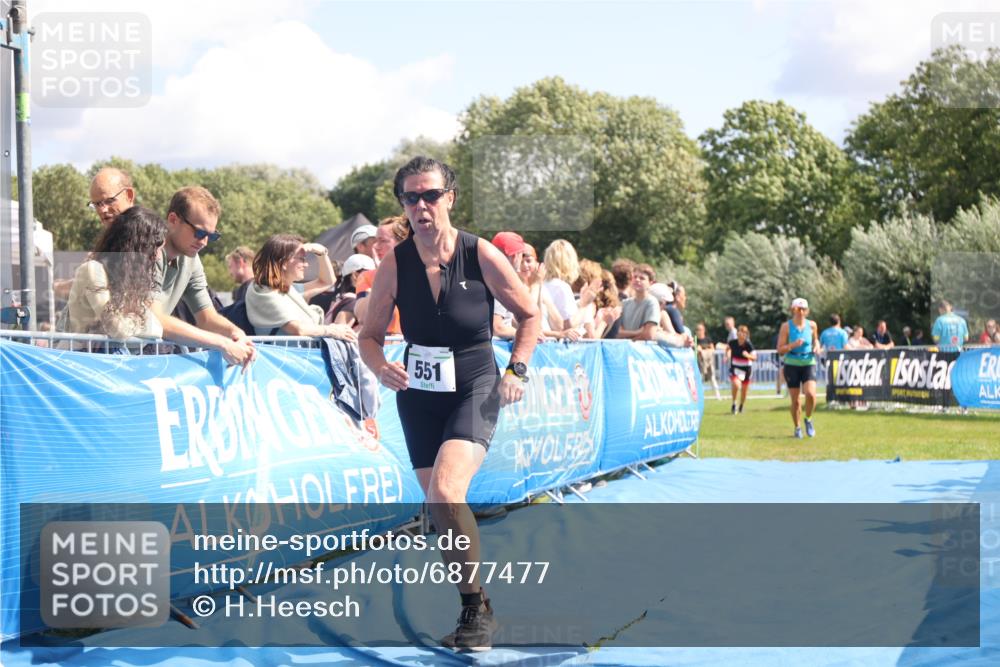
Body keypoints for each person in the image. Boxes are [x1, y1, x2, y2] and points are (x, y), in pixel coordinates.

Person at [358, 156, 540, 651]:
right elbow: (369, 336)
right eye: (410, 198)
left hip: (475, 382)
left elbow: (529, 315)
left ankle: (473, 611)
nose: (421, 206)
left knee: (444, 491)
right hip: (418, 394)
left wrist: (517, 368)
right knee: (442, 509)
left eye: (430, 196)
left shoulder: (479, 253)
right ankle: (476, 603)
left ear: (449, 198)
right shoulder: (394, 263)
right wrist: (380, 367)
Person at [151, 186, 256, 367]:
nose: (204, 242)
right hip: (107, 356)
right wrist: (222, 343)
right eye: (199, 233)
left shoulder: (192, 259)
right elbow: (155, 318)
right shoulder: (148, 250)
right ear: (173, 219)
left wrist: (236, 333)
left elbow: (207, 318)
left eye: (211, 236)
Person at [64, 207, 165, 344]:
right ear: (137, 247)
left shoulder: (124, 278)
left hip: (98, 360)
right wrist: (137, 318)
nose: (158, 257)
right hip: (79, 360)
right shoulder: (93, 270)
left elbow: (157, 329)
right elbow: (118, 329)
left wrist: (134, 320)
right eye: (155, 249)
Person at [245, 234, 356, 340]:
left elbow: (327, 281)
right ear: (283, 263)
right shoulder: (264, 292)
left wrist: (321, 253)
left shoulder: (286, 289)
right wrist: (333, 330)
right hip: (284, 357)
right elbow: (299, 329)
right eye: (302, 259)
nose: (306, 264)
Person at [776, 298, 821, 439]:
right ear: (793, 310)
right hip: (792, 364)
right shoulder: (786, 327)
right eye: (798, 309)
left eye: (804, 309)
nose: (801, 312)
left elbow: (816, 340)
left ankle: (808, 418)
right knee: (795, 401)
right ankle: (797, 427)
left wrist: (817, 347)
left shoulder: (812, 325)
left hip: (808, 362)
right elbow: (780, 350)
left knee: (811, 394)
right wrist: (793, 345)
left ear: (807, 311)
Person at [490, 231, 526, 339]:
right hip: (496, 350)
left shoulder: (486, 275)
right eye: (521, 255)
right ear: (515, 256)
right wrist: (525, 335)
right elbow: (497, 327)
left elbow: (507, 318)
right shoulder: (501, 282)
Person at [328, 254, 377, 329]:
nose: (374, 277)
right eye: (370, 274)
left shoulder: (342, 298)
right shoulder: (352, 301)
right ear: (355, 275)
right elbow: (339, 332)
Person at [616, 264, 662, 342]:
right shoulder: (624, 303)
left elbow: (649, 334)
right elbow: (617, 333)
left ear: (651, 283)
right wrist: (637, 332)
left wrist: (627, 338)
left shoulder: (652, 303)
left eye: (642, 278)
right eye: (635, 277)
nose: (637, 280)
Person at [725, 324, 756, 414]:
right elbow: (727, 348)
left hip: (746, 370)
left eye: (744, 333)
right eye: (740, 331)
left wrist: (748, 355)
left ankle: (741, 405)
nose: (741, 334)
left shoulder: (748, 345)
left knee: (744, 390)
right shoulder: (732, 342)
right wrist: (727, 355)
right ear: (737, 333)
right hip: (735, 368)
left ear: (746, 335)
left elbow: (754, 357)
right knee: (736, 384)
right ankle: (734, 404)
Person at [695, 322, 722, 399]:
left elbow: (712, 348)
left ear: (704, 330)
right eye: (697, 330)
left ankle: (718, 395)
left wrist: (704, 350)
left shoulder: (708, 339)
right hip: (699, 363)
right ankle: (699, 396)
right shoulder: (695, 340)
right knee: (700, 379)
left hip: (709, 362)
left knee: (712, 378)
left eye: (700, 329)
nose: (699, 331)